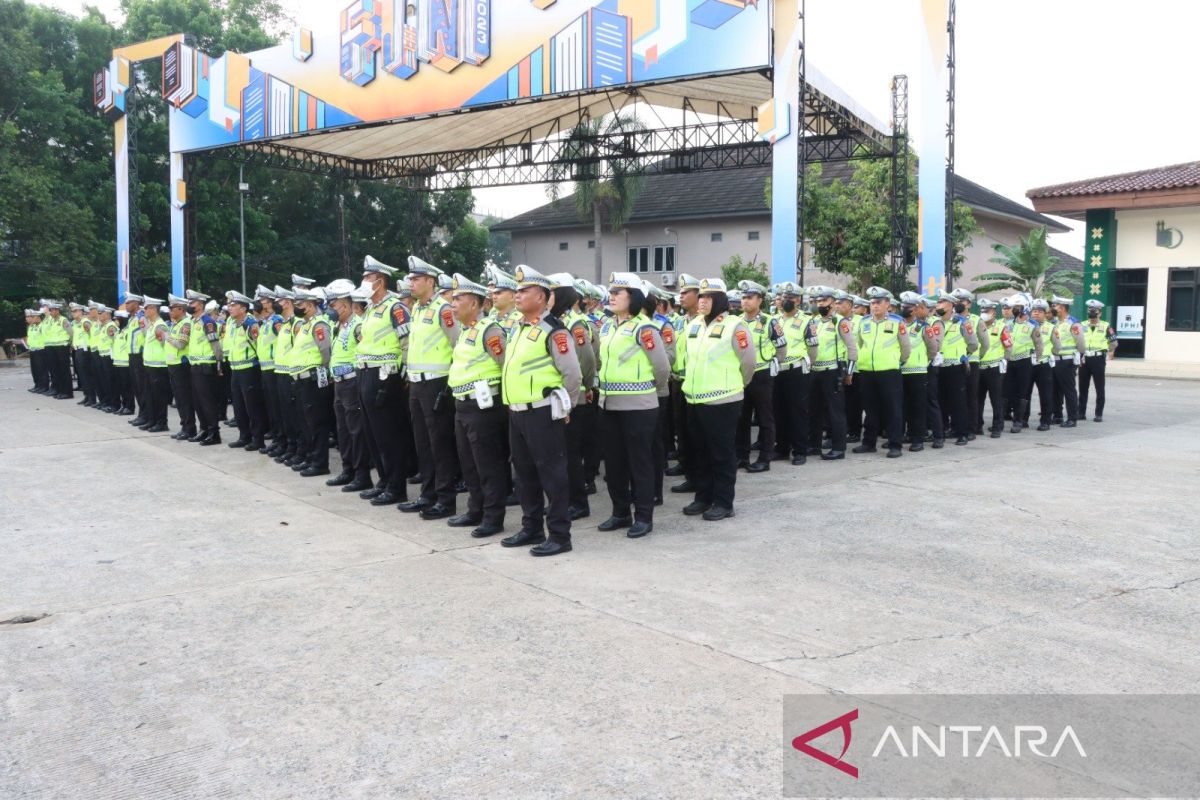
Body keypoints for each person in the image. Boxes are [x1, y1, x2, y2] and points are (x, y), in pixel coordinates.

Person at [499, 265, 582, 556]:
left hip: (543, 412)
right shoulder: (517, 329)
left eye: (524, 291)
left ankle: (560, 535)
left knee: (552, 475)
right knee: (524, 474)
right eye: (517, 290)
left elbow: (572, 374)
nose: (517, 295)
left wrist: (566, 406)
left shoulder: (554, 331)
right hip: (517, 412)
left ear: (544, 297)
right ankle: (531, 527)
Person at [595, 272, 670, 538]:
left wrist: (646, 390)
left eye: (619, 292)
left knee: (640, 462)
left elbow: (662, 368)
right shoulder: (607, 326)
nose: (612, 296)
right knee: (614, 464)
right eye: (611, 291)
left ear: (634, 297)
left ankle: (644, 516)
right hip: (609, 404)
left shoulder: (644, 328)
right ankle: (620, 512)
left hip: (639, 406)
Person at [680, 278, 755, 521]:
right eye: (701, 297)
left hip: (723, 400)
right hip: (694, 399)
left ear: (720, 300)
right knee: (699, 452)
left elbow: (748, 363)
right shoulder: (694, 325)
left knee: (721, 454)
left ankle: (724, 502)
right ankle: (703, 497)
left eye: (708, 297)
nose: (702, 302)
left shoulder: (736, 326)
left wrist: (735, 385)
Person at [445, 273, 509, 538]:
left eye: (458, 298)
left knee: (488, 463)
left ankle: (493, 517)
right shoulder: (465, 331)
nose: (453, 302)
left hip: (484, 406)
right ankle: (476, 509)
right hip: (463, 404)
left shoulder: (490, 330)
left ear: (475, 303)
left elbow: (506, 364)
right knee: (469, 461)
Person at [401, 256, 461, 519]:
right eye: (410, 279)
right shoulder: (417, 309)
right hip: (416, 383)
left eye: (415, 279)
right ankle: (428, 495)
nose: (410, 283)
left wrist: (449, 383)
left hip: (437, 383)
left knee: (440, 443)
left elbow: (458, 344)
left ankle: (445, 499)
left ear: (430, 281)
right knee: (422, 442)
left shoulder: (443, 309)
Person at [356, 256, 413, 507]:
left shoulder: (396, 307)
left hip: (385, 375)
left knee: (389, 434)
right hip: (366, 372)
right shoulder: (370, 308)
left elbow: (407, 343)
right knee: (372, 433)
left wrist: (402, 376)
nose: (364, 281)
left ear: (380, 281)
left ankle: (396, 486)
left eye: (368, 278)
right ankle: (384, 480)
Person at [549, 272, 597, 521]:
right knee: (558, 454)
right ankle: (565, 499)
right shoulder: (550, 321)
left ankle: (578, 502)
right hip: (554, 398)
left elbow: (587, 359)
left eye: (552, 292)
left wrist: (587, 387)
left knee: (570, 453)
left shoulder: (575, 323)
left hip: (573, 396)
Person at [324, 279, 374, 492]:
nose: (331, 310)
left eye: (334, 305)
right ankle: (348, 470)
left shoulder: (358, 325)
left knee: (356, 430)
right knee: (343, 429)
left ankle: (362, 475)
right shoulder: (338, 326)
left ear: (345, 304)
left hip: (353, 382)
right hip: (339, 384)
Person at [734, 280, 787, 473]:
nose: (745, 301)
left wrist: (775, 362)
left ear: (760, 300)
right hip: (742, 375)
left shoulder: (769, 321)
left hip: (762, 375)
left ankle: (764, 458)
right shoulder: (737, 322)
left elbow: (782, 346)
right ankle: (741, 456)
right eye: (743, 297)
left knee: (765, 418)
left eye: (749, 297)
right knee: (742, 417)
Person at [853, 286, 911, 458]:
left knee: (893, 409)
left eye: (878, 302)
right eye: (872, 303)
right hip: (867, 371)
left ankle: (895, 445)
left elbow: (905, 347)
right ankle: (869, 443)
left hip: (889, 371)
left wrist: (897, 361)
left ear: (887, 304)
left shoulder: (897, 321)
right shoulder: (864, 322)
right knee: (870, 409)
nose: (874, 306)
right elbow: (859, 343)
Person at [807, 286, 857, 460]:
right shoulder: (814, 322)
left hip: (832, 371)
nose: (820, 304)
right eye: (818, 301)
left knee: (835, 411)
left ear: (833, 303)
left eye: (824, 301)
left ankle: (838, 447)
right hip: (815, 370)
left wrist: (849, 372)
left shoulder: (840, 322)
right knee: (814, 410)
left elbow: (852, 348)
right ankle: (814, 445)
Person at [289, 287, 334, 476]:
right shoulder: (305, 324)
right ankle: (310, 458)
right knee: (306, 422)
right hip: (301, 379)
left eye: (299, 304)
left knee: (317, 423)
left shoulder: (319, 324)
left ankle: (320, 463)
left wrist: (322, 373)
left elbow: (326, 353)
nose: (296, 307)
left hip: (314, 378)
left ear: (310, 304)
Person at [772, 282, 814, 465]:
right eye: (784, 297)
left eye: (790, 298)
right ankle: (781, 448)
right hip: (777, 371)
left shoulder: (806, 320)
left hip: (796, 370)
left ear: (798, 300)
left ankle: (799, 451)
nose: (786, 300)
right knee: (778, 411)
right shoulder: (775, 320)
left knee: (797, 412)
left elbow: (813, 349)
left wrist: (806, 363)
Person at [668, 273, 702, 491]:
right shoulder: (681, 321)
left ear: (698, 295)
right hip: (679, 381)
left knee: (695, 433)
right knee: (681, 428)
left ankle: (697, 475)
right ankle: (687, 467)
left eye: (685, 292)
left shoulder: (704, 321)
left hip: (697, 384)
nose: (680, 296)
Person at [224, 290, 268, 451]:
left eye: (233, 305)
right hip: (235, 368)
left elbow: (259, 346)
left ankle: (258, 439)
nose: (230, 307)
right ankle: (244, 436)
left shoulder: (250, 324)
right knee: (239, 405)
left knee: (252, 406)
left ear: (243, 308)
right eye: (229, 304)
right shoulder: (232, 322)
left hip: (249, 369)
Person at [935, 291, 977, 446]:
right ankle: (944, 429)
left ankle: (962, 433)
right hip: (939, 367)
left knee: (958, 402)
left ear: (951, 305)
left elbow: (973, 344)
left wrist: (963, 354)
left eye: (942, 303)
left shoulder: (962, 322)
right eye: (938, 302)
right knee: (941, 401)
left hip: (956, 367)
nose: (938, 305)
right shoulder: (935, 322)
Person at [183, 290, 223, 445]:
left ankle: (214, 433)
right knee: (198, 401)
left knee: (207, 401)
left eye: (192, 303)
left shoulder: (208, 322)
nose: (189, 305)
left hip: (206, 367)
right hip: (195, 366)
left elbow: (216, 346)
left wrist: (219, 365)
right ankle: (204, 429)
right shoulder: (193, 321)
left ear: (200, 304)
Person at [898, 291, 934, 452]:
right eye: (903, 306)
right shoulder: (897, 324)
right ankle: (903, 435)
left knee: (917, 407)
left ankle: (917, 438)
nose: (906, 309)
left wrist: (924, 361)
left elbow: (933, 348)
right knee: (901, 406)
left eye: (909, 307)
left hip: (918, 371)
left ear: (916, 309)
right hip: (899, 370)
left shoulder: (923, 327)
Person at [1004, 293, 1042, 434]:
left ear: (1025, 308)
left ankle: (1018, 421)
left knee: (1022, 392)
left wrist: (1036, 360)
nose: (1015, 309)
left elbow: (1039, 345)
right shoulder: (1008, 324)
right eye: (1014, 307)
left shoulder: (1033, 325)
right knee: (1009, 392)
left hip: (1025, 361)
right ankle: (1005, 419)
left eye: (1017, 307)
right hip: (1010, 361)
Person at [163, 294, 197, 440]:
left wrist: (167, 337)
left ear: (181, 309)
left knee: (185, 399)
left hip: (181, 365)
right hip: (173, 364)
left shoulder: (186, 324)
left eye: (173, 309)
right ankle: (184, 426)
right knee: (179, 399)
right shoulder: (175, 324)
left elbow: (181, 344)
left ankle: (189, 428)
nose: (170, 311)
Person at [1050, 295, 1086, 429]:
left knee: (1068, 390)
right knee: (1055, 390)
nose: (1053, 308)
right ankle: (1057, 415)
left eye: (1056, 306)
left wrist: (1078, 357)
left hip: (1067, 361)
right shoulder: (1055, 323)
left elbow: (1081, 344)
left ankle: (1072, 418)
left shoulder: (1073, 323)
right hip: (1055, 360)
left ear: (1062, 308)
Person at [975, 299, 1010, 438]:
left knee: (996, 399)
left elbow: (1009, 346)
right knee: (978, 399)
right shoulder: (978, 326)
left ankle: (997, 426)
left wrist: (1004, 361)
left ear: (994, 312)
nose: (984, 314)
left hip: (994, 368)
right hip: (979, 367)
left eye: (987, 311)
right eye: (982, 311)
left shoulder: (1001, 327)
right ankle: (977, 425)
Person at [1079, 299, 1117, 422]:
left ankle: (1098, 413)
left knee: (1099, 387)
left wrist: (1107, 351)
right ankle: (1081, 413)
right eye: (1090, 310)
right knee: (1083, 387)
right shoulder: (1082, 325)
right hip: (1084, 358)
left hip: (1098, 358)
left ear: (1100, 313)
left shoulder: (1106, 326)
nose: (1092, 313)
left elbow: (1114, 342)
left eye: (1095, 311)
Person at [952, 288, 983, 437]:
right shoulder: (951, 319)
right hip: (955, 363)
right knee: (955, 397)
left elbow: (984, 343)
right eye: (956, 301)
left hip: (971, 362)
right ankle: (955, 427)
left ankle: (972, 428)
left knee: (971, 397)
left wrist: (974, 355)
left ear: (969, 304)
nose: (958, 304)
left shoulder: (976, 320)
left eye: (962, 301)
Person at [139, 296, 171, 433]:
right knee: (150, 395)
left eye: (146, 308)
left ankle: (161, 422)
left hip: (159, 366)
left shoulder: (160, 325)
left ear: (153, 309)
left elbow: (165, 343)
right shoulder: (152, 325)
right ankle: (152, 420)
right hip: (149, 365)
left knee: (159, 397)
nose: (144, 311)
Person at [1028, 298, 1055, 432]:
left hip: (1043, 364)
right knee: (1024, 393)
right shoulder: (1025, 325)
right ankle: (1022, 419)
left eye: (1039, 311)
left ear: (1045, 313)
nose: (1036, 313)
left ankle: (1045, 420)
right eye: (1034, 311)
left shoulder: (1050, 327)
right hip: (1027, 364)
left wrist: (1049, 354)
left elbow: (1057, 346)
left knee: (1045, 394)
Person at [40, 300, 73, 398]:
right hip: (52, 347)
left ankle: (67, 392)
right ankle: (60, 390)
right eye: (51, 310)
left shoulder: (63, 320)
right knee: (56, 370)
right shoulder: (50, 321)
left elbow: (71, 333)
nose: (53, 312)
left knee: (64, 370)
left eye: (55, 310)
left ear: (58, 311)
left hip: (62, 347)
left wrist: (70, 344)